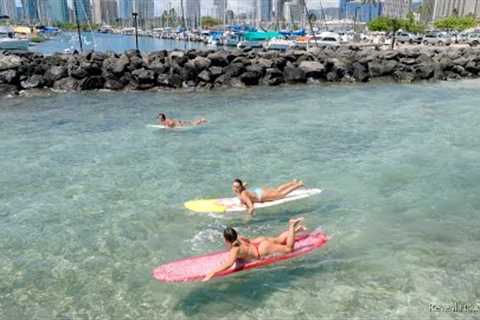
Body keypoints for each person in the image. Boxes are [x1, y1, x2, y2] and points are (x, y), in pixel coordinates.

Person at [202, 217, 306, 282]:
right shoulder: (240, 238)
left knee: (289, 249)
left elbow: (229, 264)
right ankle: (296, 230)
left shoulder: (235, 249)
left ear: (226, 239)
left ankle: (292, 226)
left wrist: (213, 272)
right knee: (279, 239)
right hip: (258, 241)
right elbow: (247, 242)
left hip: (262, 250)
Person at [232, 178, 304, 216]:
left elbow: (251, 207)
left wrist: (248, 217)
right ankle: (293, 182)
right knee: (277, 190)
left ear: (240, 187)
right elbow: (245, 185)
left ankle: (298, 185)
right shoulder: (239, 189)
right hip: (258, 191)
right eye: (234, 186)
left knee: (281, 195)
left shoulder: (243, 194)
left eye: (237, 187)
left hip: (262, 195)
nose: (235, 188)